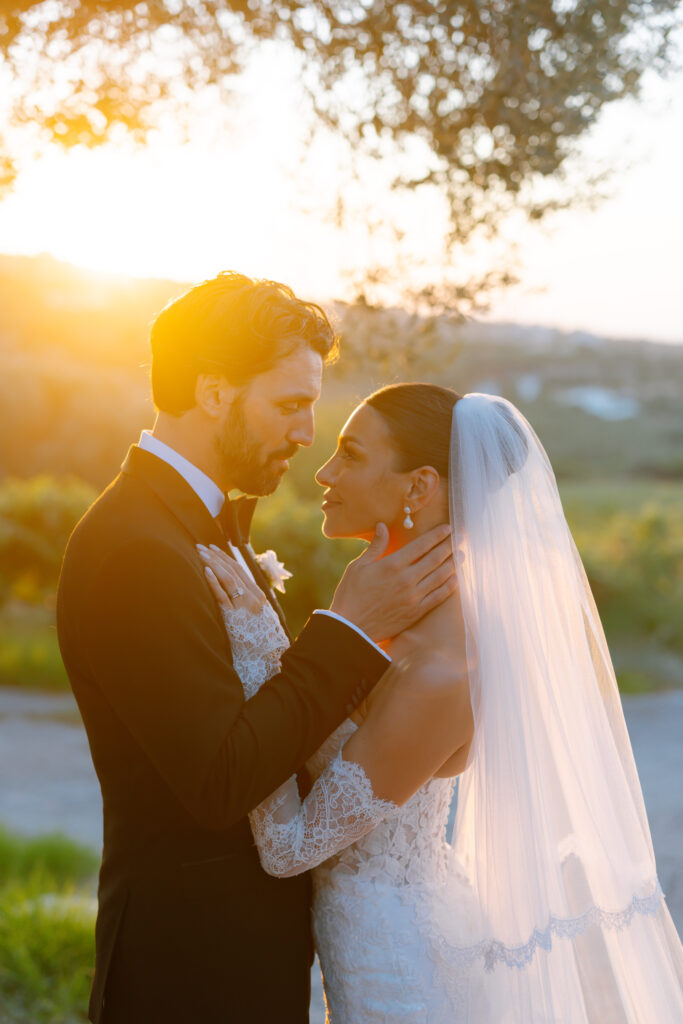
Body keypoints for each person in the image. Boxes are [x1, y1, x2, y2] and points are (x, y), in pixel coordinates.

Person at [203, 382, 683, 1022]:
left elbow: (290, 847)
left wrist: (259, 650)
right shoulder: (404, 619)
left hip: (399, 971)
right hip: (387, 930)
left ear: (418, 488)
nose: (324, 470)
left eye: (350, 453)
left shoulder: (440, 667)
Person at [56, 275, 456, 1024]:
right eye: (289, 405)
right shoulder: (136, 547)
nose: (306, 434)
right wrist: (347, 632)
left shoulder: (199, 528)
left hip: (250, 964)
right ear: (213, 393)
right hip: (189, 972)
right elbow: (221, 778)